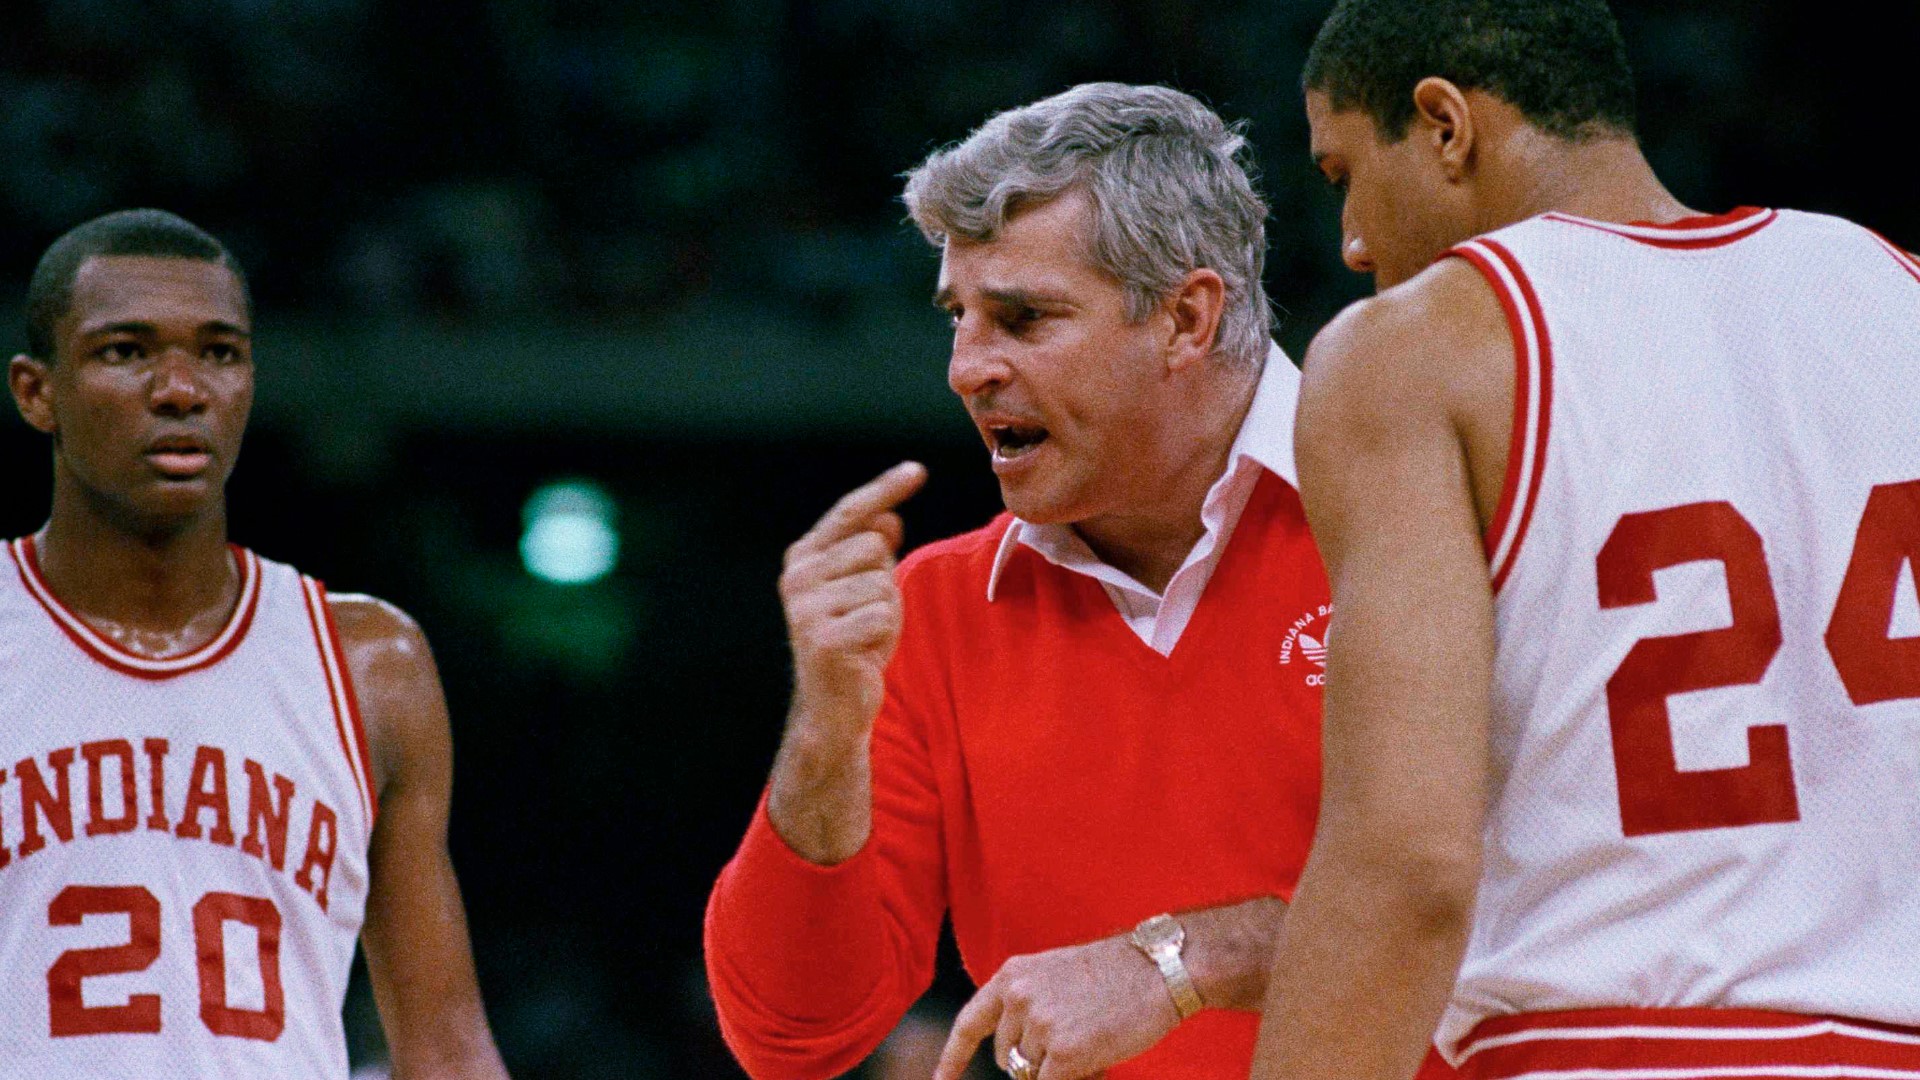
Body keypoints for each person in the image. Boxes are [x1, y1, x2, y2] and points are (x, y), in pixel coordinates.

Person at [1247, 2, 1920, 1079]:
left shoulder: (1417, 349)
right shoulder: (1894, 291)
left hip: (1607, 1046)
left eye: (1343, 177)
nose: (1355, 242)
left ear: (1444, 124)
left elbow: (1406, 862)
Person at [704, 83, 1336, 1080]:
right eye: (960, 316)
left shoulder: (1416, 520)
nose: (966, 368)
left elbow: (1568, 916)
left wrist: (1183, 963)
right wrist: (824, 731)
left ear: (1186, 318)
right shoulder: (937, 612)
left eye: (1023, 317)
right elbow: (793, 1033)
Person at [0, 209, 510, 1079]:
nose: (181, 389)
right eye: (126, 351)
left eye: (219, 352)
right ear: (35, 392)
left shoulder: (370, 663)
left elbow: (444, 1047)